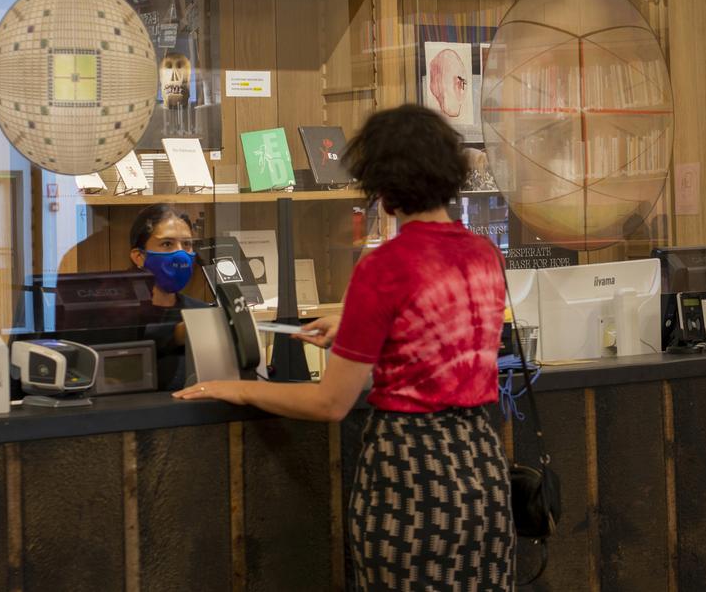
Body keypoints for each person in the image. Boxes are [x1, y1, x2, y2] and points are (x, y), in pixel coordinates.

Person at [175, 105, 514, 590]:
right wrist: (356, 326)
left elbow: (330, 402)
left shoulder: (386, 265)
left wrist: (238, 388)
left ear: (384, 187)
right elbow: (440, 341)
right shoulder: (483, 254)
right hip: (482, 467)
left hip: (412, 472)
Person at [129, 203, 207, 390]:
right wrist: (174, 336)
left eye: (187, 244)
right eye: (167, 244)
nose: (180, 254)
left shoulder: (202, 312)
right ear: (139, 256)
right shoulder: (119, 316)